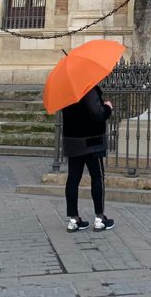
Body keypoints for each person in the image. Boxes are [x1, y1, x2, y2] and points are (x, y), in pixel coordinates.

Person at [61, 85, 114, 232]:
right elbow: (97, 113)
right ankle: (99, 218)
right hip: (91, 142)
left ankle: (73, 219)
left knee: (73, 178)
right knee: (97, 177)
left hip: (73, 141)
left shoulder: (66, 89)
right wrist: (108, 107)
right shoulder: (87, 88)